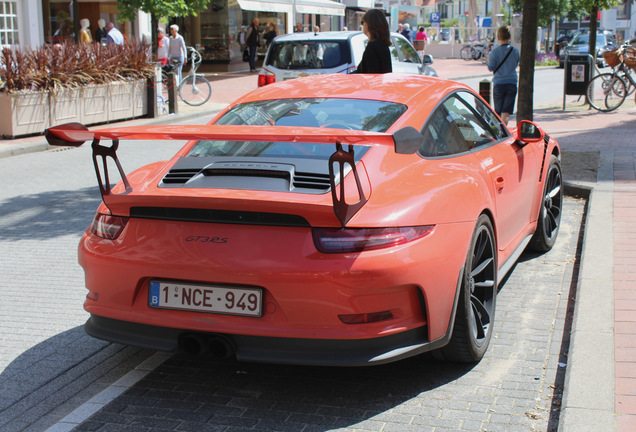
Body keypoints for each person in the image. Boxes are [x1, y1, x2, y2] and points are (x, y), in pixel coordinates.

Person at [487, 26, 520, 126]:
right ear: (509, 37)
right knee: (506, 111)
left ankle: (498, 132)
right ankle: (504, 130)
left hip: (499, 83)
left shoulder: (494, 52)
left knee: (498, 111)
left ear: (498, 37)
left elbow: (491, 68)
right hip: (512, 82)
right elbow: (516, 64)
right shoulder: (515, 51)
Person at [352, 9, 392, 74]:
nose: (362, 25)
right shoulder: (383, 46)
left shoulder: (372, 47)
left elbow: (370, 74)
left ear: (367, 25)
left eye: (363, 22)